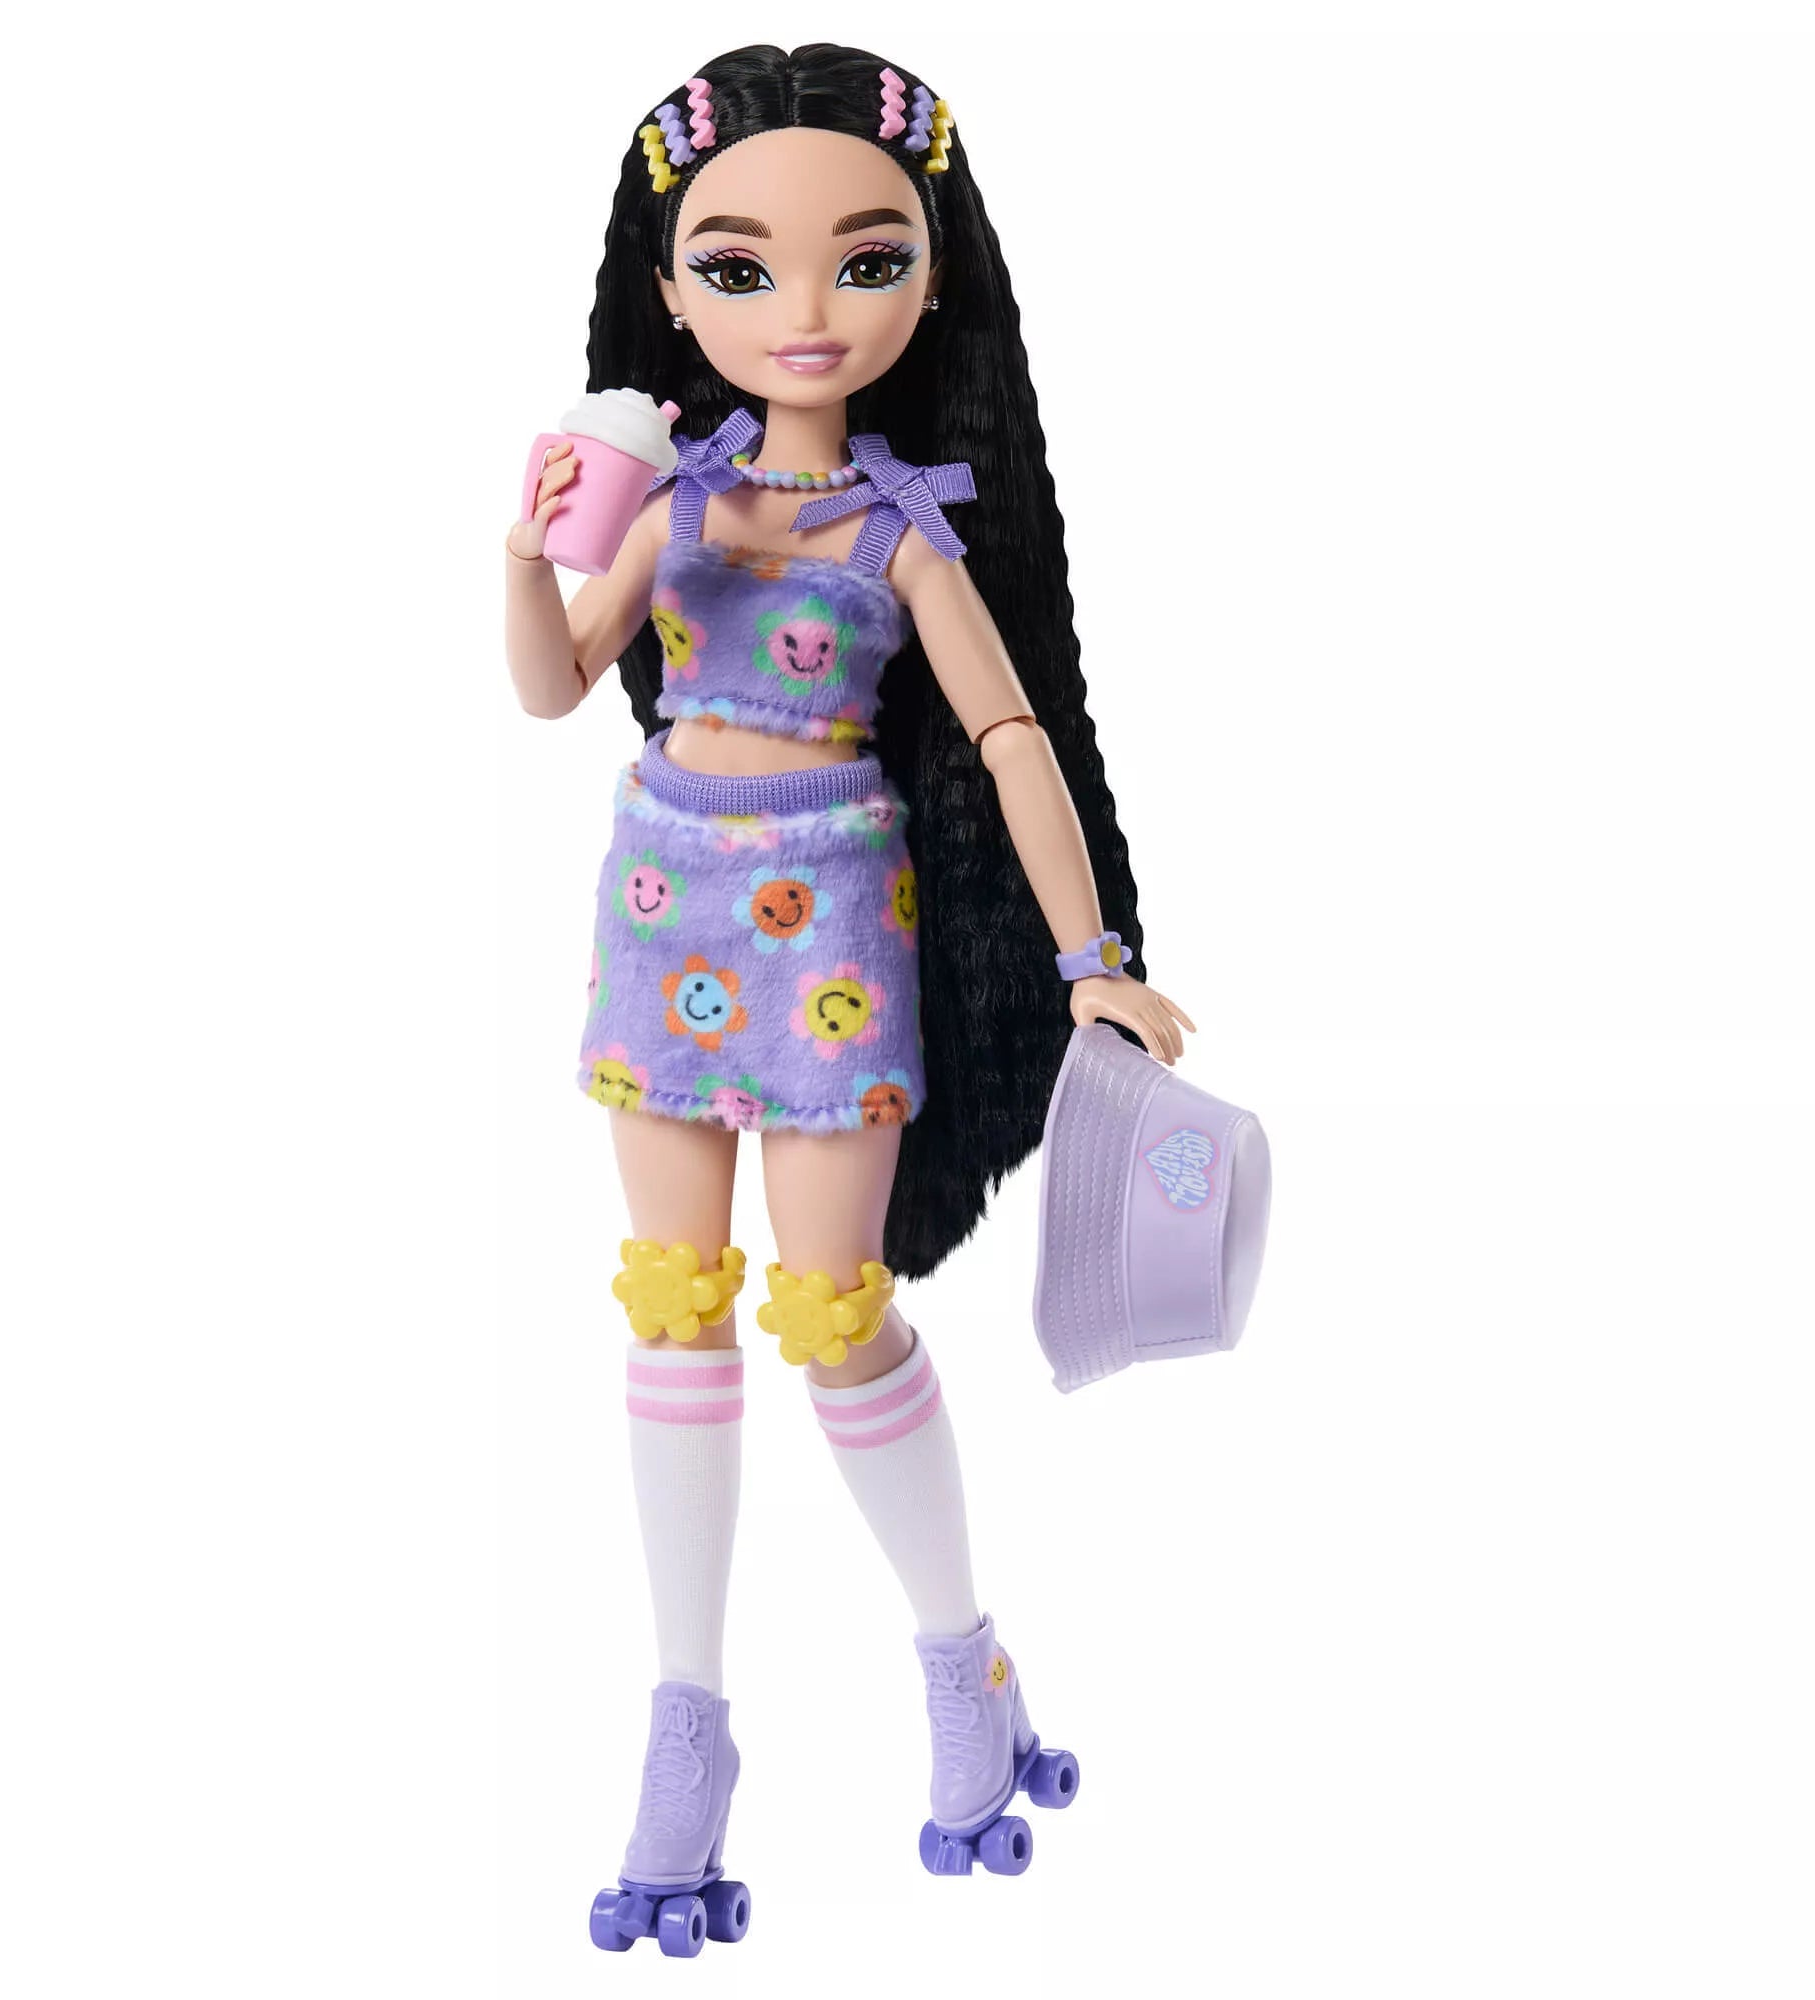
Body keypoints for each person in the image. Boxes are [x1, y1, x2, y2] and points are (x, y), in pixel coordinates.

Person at [502, 41, 1196, 1954]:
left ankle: (963, 1662)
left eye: (864, 261)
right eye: (739, 268)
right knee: (673, 1311)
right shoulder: (673, 501)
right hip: (664, 905)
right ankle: (687, 1719)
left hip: (830, 931)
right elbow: (555, 687)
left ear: (931, 278)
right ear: (670, 292)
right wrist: (522, 549)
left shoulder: (902, 529)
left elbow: (1010, 734)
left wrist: (1095, 964)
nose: (804, 310)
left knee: (833, 1316)